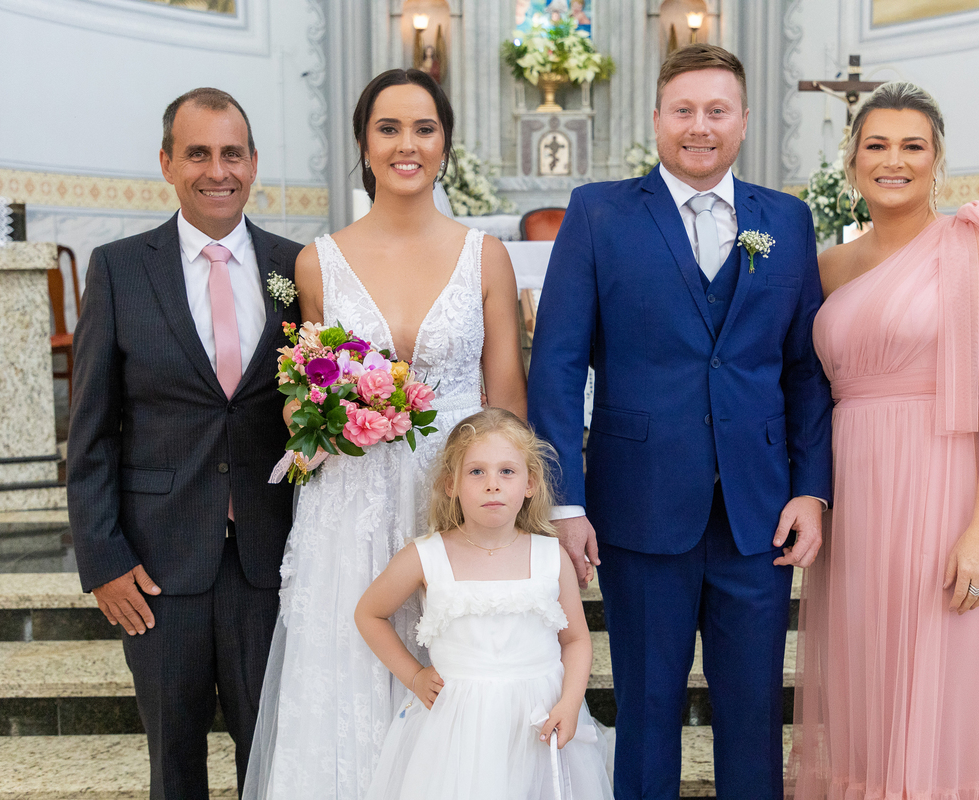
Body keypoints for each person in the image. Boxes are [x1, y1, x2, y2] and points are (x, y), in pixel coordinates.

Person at [528, 44, 833, 800]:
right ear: (658, 119)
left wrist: (811, 489)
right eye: (684, 110)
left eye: (717, 110)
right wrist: (564, 502)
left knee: (754, 713)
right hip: (639, 506)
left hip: (758, 511)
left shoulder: (787, 220)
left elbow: (805, 370)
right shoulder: (598, 213)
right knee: (647, 707)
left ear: (744, 121)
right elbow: (558, 363)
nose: (701, 126)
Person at [244, 69, 527, 799]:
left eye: (424, 129)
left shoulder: (486, 256)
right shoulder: (317, 262)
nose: (408, 145)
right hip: (351, 507)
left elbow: (507, 407)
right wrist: (325, 420)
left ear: (445, 145)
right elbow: (298, 398)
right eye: (389, 128)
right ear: (364, 145)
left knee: (452, 681)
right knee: (349, 678)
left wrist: (516, 525)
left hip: (455, 502)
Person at [789, 82, 979, 799]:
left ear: (937, 160)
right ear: (852, 160)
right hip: (858, 502)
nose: (892, 161)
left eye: (912, 146)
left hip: (946, 490)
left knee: (942, 675)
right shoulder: (828, 267)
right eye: (876, 145)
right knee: (867, 681)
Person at [68, 87, 303, 799]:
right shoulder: (118, 269)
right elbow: (90, 431)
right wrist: (103, 560)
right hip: (157, 564)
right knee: (174, 759)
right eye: (198, 153)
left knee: (272, 754)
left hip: (271, 557)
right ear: (167, 163)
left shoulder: (299, 269)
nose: (217, 170)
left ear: (254, 162)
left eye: (232, 153)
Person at [354, 408, 613, 799]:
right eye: (476, 472)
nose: (493, 485)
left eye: (507, 471)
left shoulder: (551, 556)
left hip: (538, 722)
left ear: (530, 483)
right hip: (456, 727)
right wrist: (414, 676)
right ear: (451, 484)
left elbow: (575, 639)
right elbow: (369, 613)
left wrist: (571, 702)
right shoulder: (425, 556)